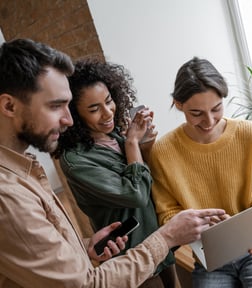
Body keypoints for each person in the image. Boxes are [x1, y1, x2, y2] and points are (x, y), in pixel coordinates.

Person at [0, 38, 225, 288]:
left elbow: (47, 254)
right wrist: (168, 235)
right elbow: (85, 284)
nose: (68, 120)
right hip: (134, 262)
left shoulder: (25, 168)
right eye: (55, 106)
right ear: (9, 105)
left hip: (150, 252)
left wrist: (85, 246)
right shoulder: (9, 195)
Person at [149, 57, 252, 288]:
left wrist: (240, 229)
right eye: (196, 113)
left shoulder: (251, 135)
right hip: (211, 256)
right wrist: (202, 227)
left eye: (216, 108)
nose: (209, 121)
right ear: (178, 104)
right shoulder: (163, 151)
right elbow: (167, 213)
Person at [52, 58, 176, 287]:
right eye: (94, 109)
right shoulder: (77, 161)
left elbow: (151, 180)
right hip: (133, 258)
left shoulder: (116, 135)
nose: (108, 113)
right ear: (75, 115)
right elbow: (136, 195)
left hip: (159, 241)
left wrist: (144, 144)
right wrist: (132, 143)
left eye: (108, 101)